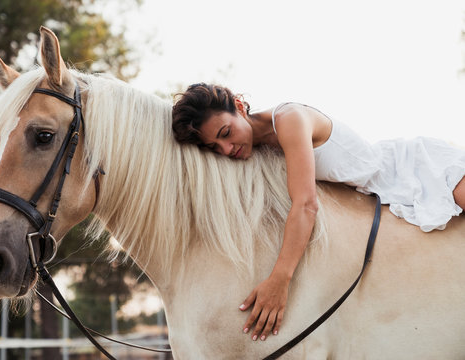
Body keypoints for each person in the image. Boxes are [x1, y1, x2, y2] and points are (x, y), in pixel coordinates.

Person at [171, 82, 465, 342]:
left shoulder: (289, 119)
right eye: (215, 147)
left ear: (238, 106)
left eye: (226, 132)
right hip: (372, 194)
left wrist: (279, 280)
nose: (226, 148)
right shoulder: (254, 147)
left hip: (407, 168)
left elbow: (306, 204)